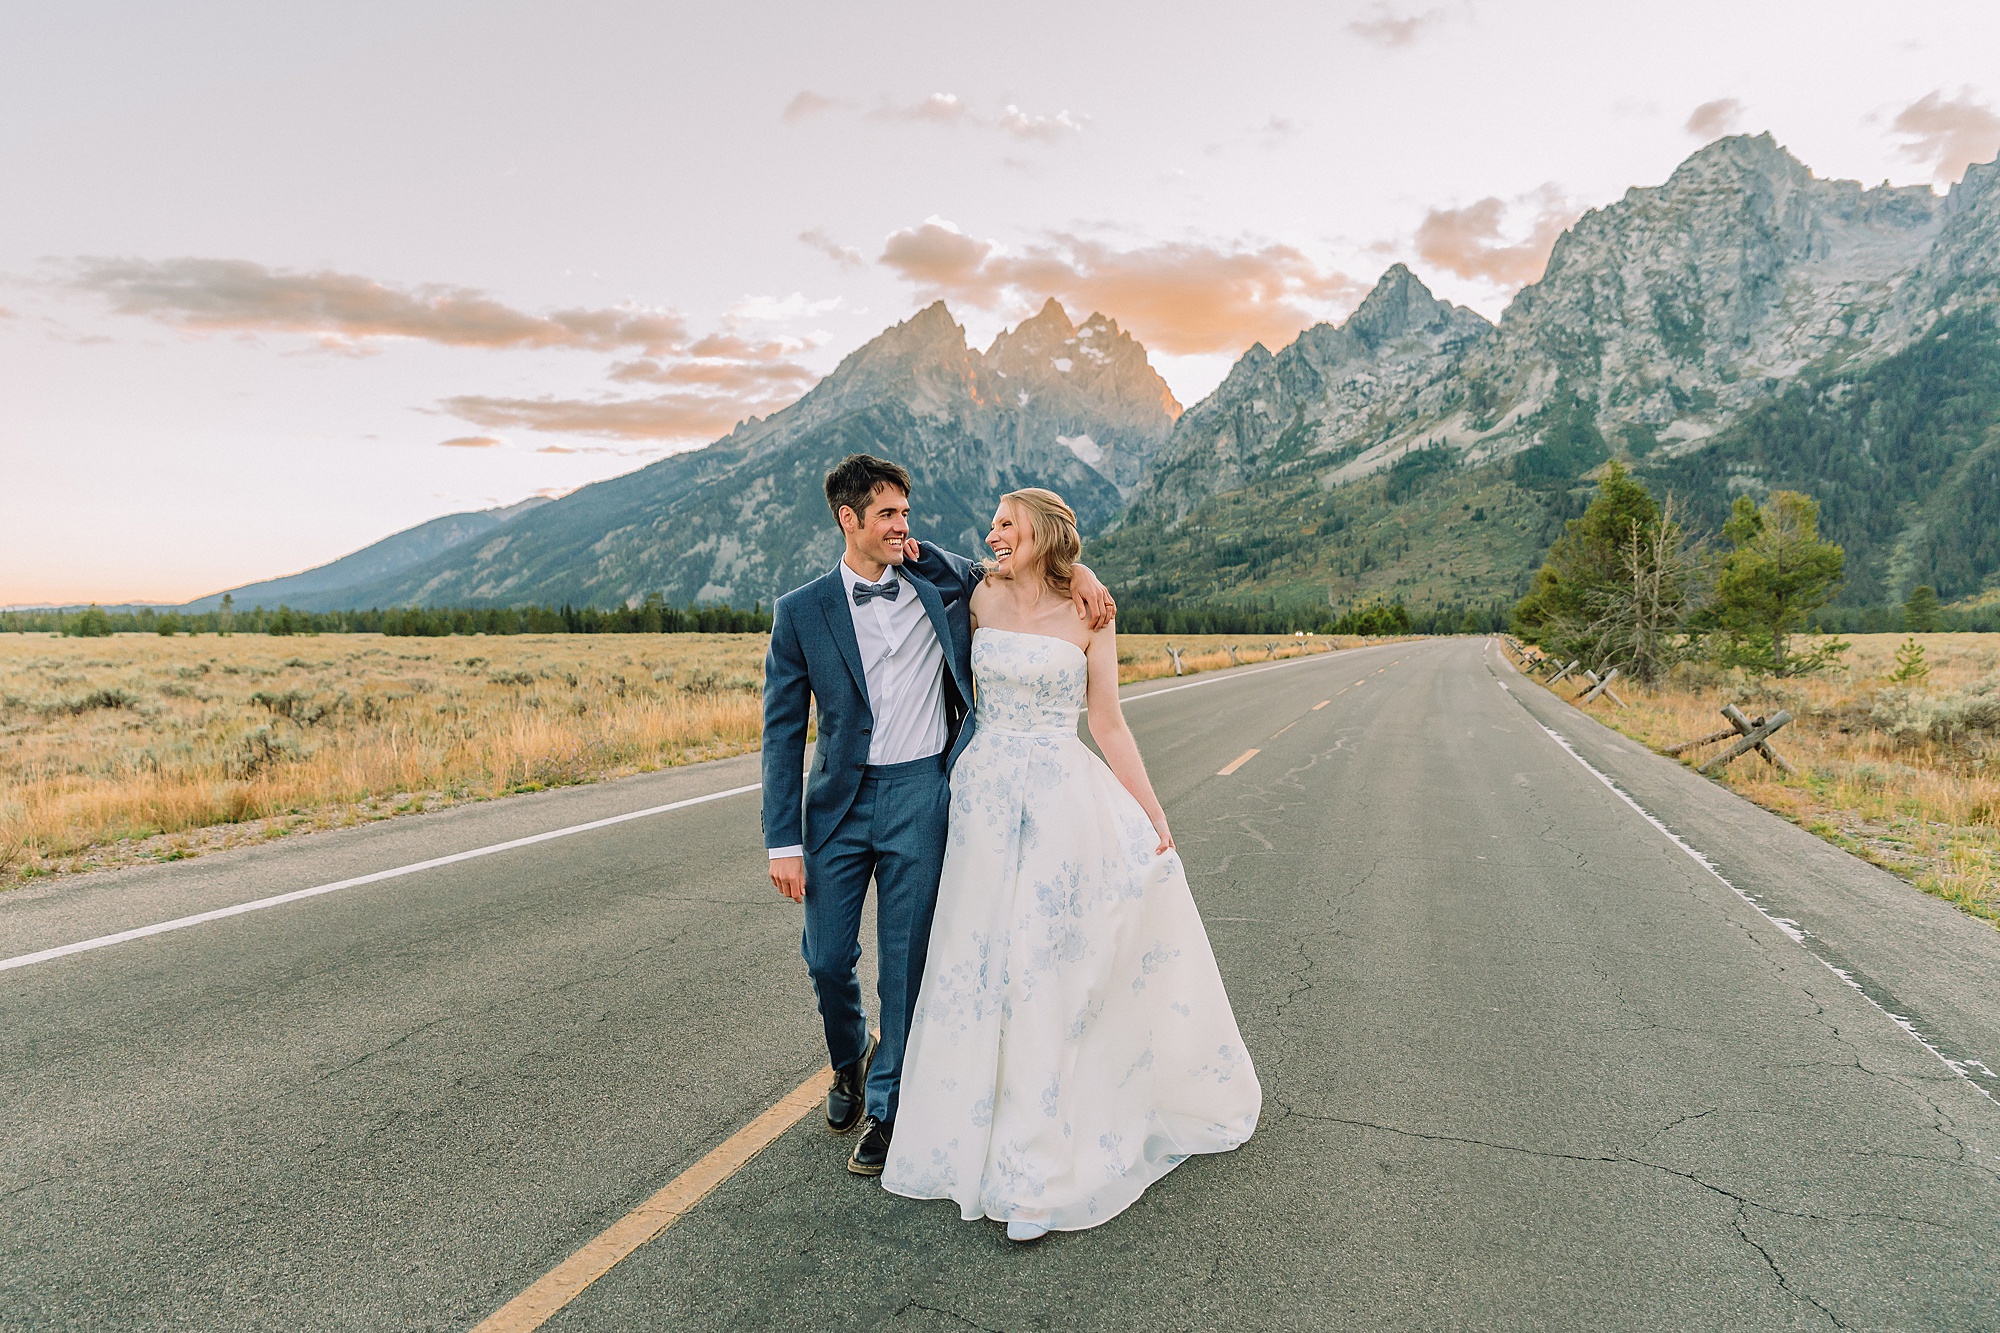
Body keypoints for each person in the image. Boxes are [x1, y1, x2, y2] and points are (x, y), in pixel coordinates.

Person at [882, 488, 1261, 1240]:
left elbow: (1108, 720)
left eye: (1006, 523)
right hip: (984, 799)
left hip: (1060, 803)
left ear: (1041, 532)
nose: (992, 534)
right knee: (977, 964)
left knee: (1040, 970)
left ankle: (1035, 1166)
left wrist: (1152, 810)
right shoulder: (976, 592)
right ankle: (963, 1133)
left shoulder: (1091, 612)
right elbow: (931, 560)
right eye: (990, 523)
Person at [761, 456, 1115, 1176]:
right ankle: (849, 1059)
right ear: (849, 520)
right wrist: (782, 840)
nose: (904, 526)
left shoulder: (940, 576)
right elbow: (780, 730)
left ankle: (888, 1108)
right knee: (827, 958)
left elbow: (1029, 564)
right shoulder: (800, 611)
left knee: (908, 961)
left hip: (923, 791)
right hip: (836, 806)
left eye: (906, 512)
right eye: (888, 514)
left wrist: (1083, 574)